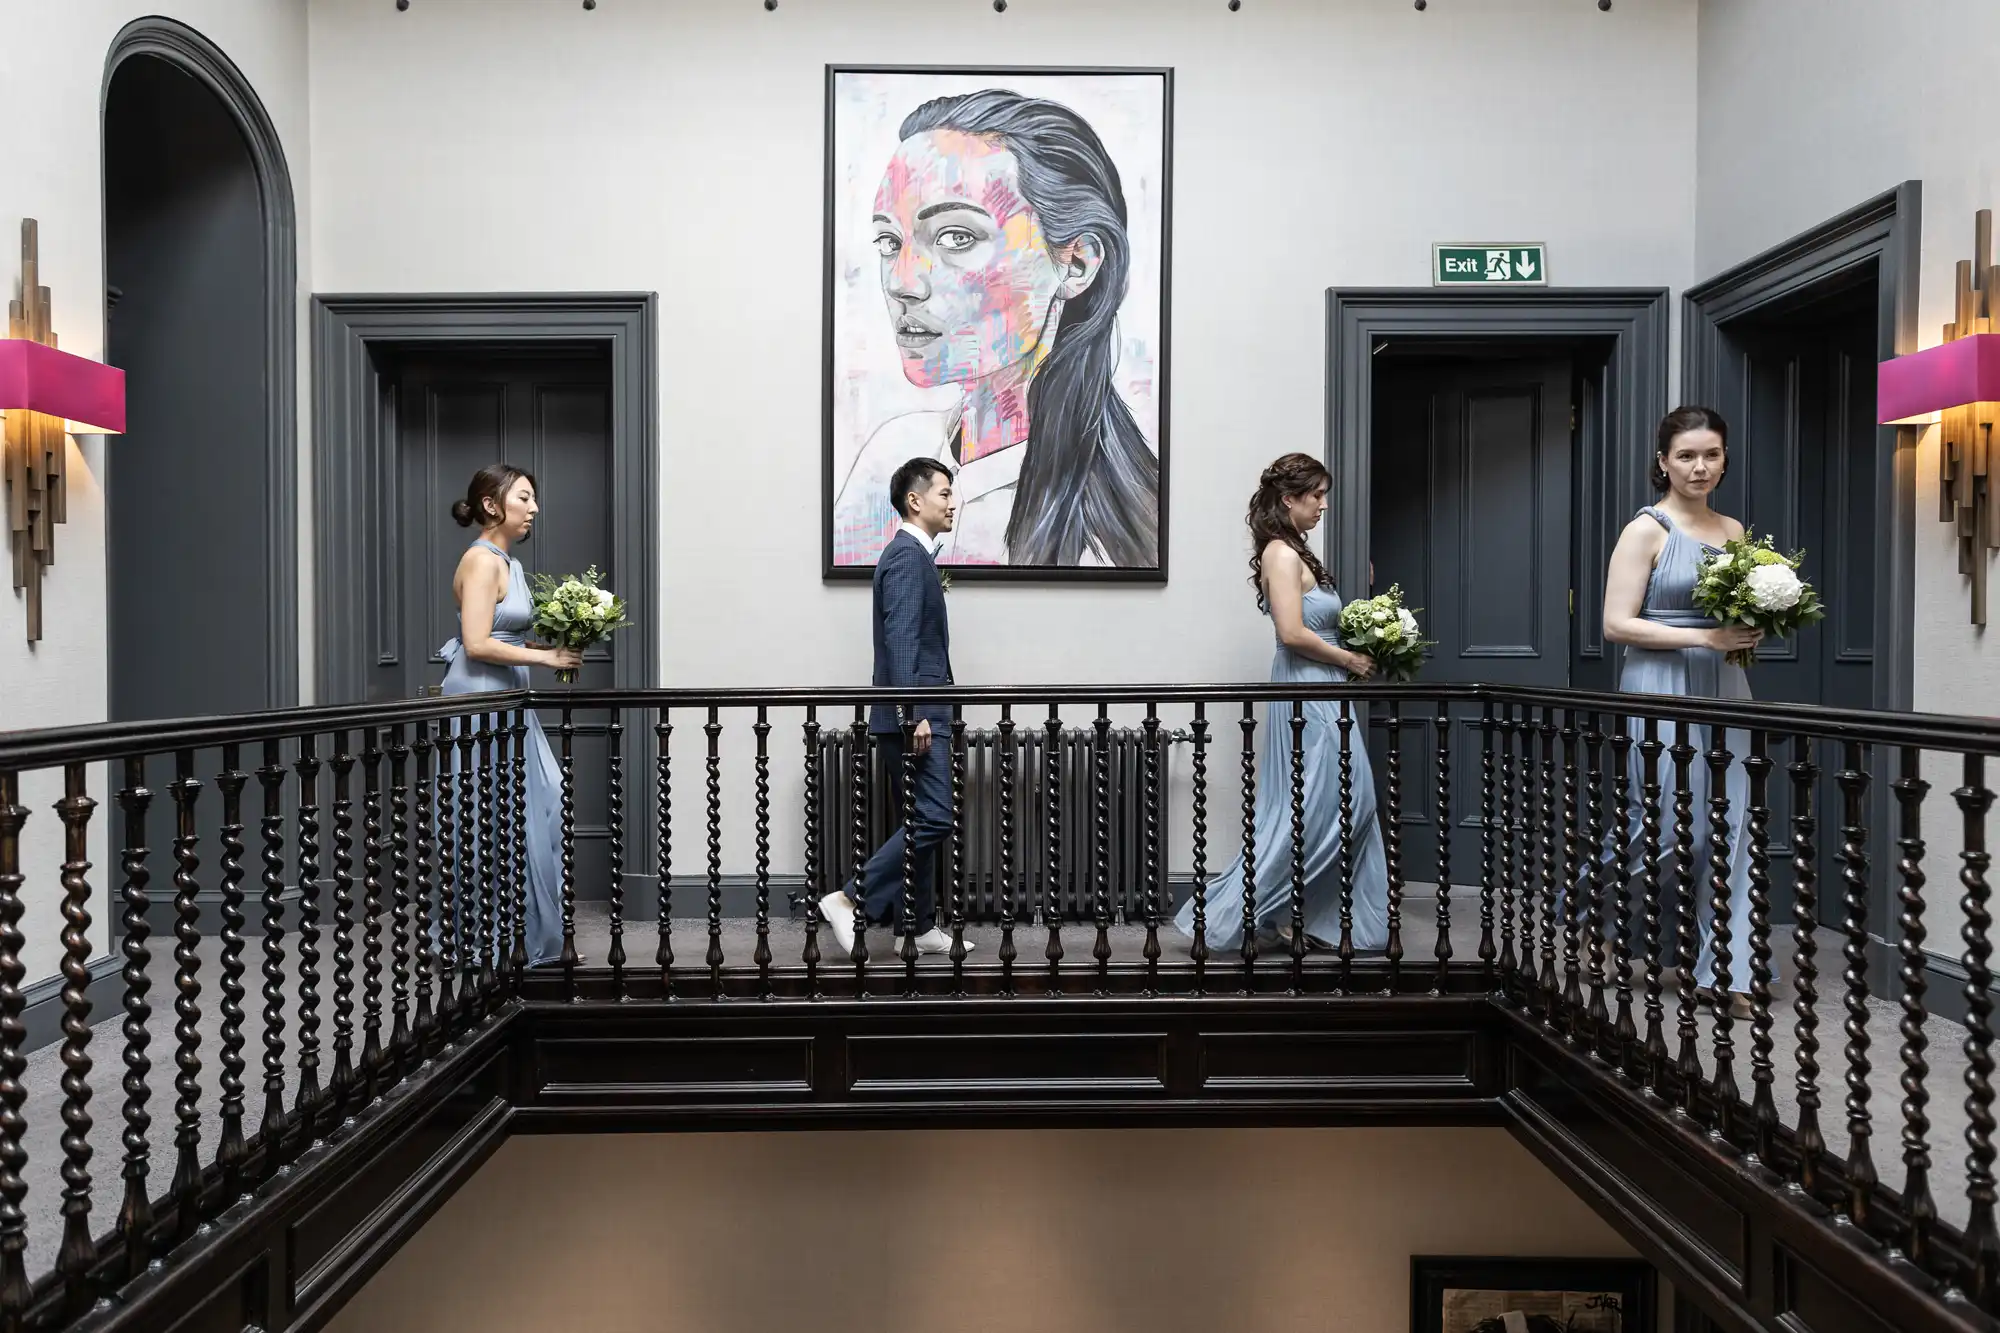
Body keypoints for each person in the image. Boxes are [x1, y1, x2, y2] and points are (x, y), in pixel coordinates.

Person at [830, 88, 1159, 570]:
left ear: (1077, 264)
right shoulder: (892, 457)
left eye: (957, 237)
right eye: (888, 240)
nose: (903, 283)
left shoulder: (1115, 532)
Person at [1173, 453, 1389, 955]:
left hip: (1323, 685)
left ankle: (1306, 914)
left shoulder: (1296, 551)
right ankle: (1242, 909)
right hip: (1308, 688)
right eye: (1315, 496)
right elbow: (1291, 633)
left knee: (1328, 803)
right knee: (1316, 805)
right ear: (1288, 498)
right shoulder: (1281, 553)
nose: (1323, 505)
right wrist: (1348, 659)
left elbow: (1315, 621)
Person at [1590, 406, 1761, 1016]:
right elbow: (1615, 623)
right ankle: (1604, 924)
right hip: (1661, 682)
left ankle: (1727, 970)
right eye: (1686, 455)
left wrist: (1748, 630)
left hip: (1727, 688)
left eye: (1711, 454)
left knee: (1734, 826)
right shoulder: (1646, 529)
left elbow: (1735, 613)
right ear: (1663, 461)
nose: (1699, 467)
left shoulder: (1735, 531)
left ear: (1723, 458)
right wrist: (1704, 639)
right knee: (1663, 822)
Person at [817, 457, 977, 959]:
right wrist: (916, 715)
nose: (953, 503)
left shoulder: (911, 556)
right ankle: (849, 898)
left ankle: (920, 925)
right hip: (915, 716)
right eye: (945, 493)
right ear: (916, 500)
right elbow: (903, 640)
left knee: (919, 817)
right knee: (934, 817)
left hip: (913, 713)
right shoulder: (907, 557)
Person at [438, 463, 579, 968]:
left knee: (537, 803)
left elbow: (508, 635)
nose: (534, 508)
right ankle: (485, 939)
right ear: (493, 505)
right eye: (525, 498)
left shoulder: (511, 564)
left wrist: (556, 644)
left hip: (510, 696)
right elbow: (477, 644)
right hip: (478, 698)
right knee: (489, 816)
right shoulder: (480, 561)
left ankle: (524, 931)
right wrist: (545, 659)